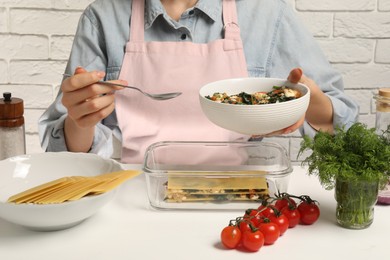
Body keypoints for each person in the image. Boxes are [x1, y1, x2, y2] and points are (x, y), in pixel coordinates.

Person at [38, 0, 359, 163]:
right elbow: (61, 156)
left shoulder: (266, 13)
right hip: (131, 196)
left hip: (240, 204)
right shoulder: (103, 17)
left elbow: (343, 122)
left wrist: (306, 103)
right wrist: (81, 122)